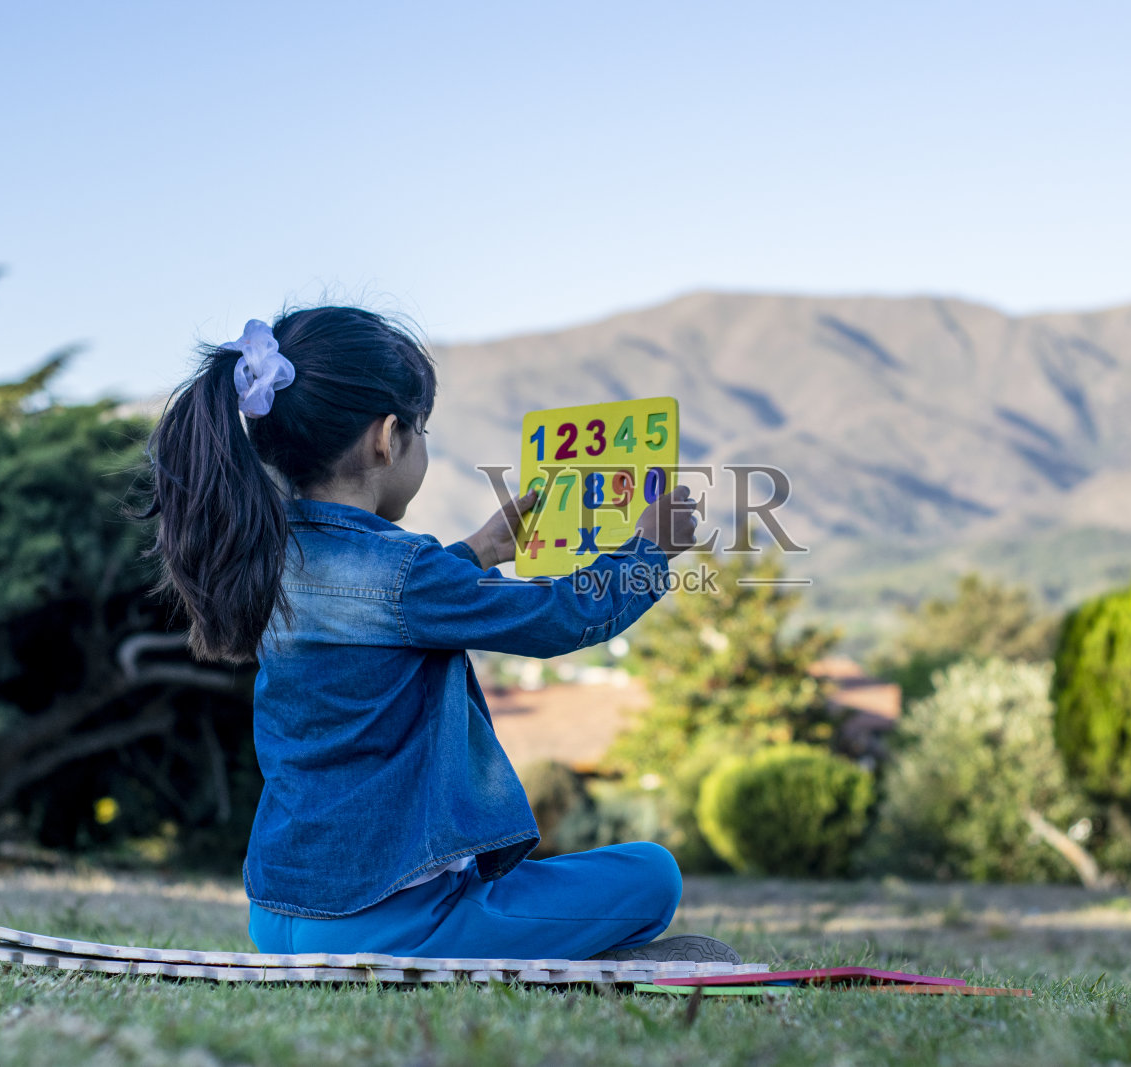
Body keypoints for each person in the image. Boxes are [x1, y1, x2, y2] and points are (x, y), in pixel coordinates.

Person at [141, 307, 738, 963]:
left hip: (280, 915)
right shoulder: (403, 574)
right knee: (653, 874)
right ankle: (536, 948)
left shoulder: (273, 557)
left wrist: (478, 549)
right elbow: (564, 616)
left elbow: (375, 609)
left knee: (597, 884)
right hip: (387, 924)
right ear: (387, 436)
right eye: (421, 429)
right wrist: (648, 552)